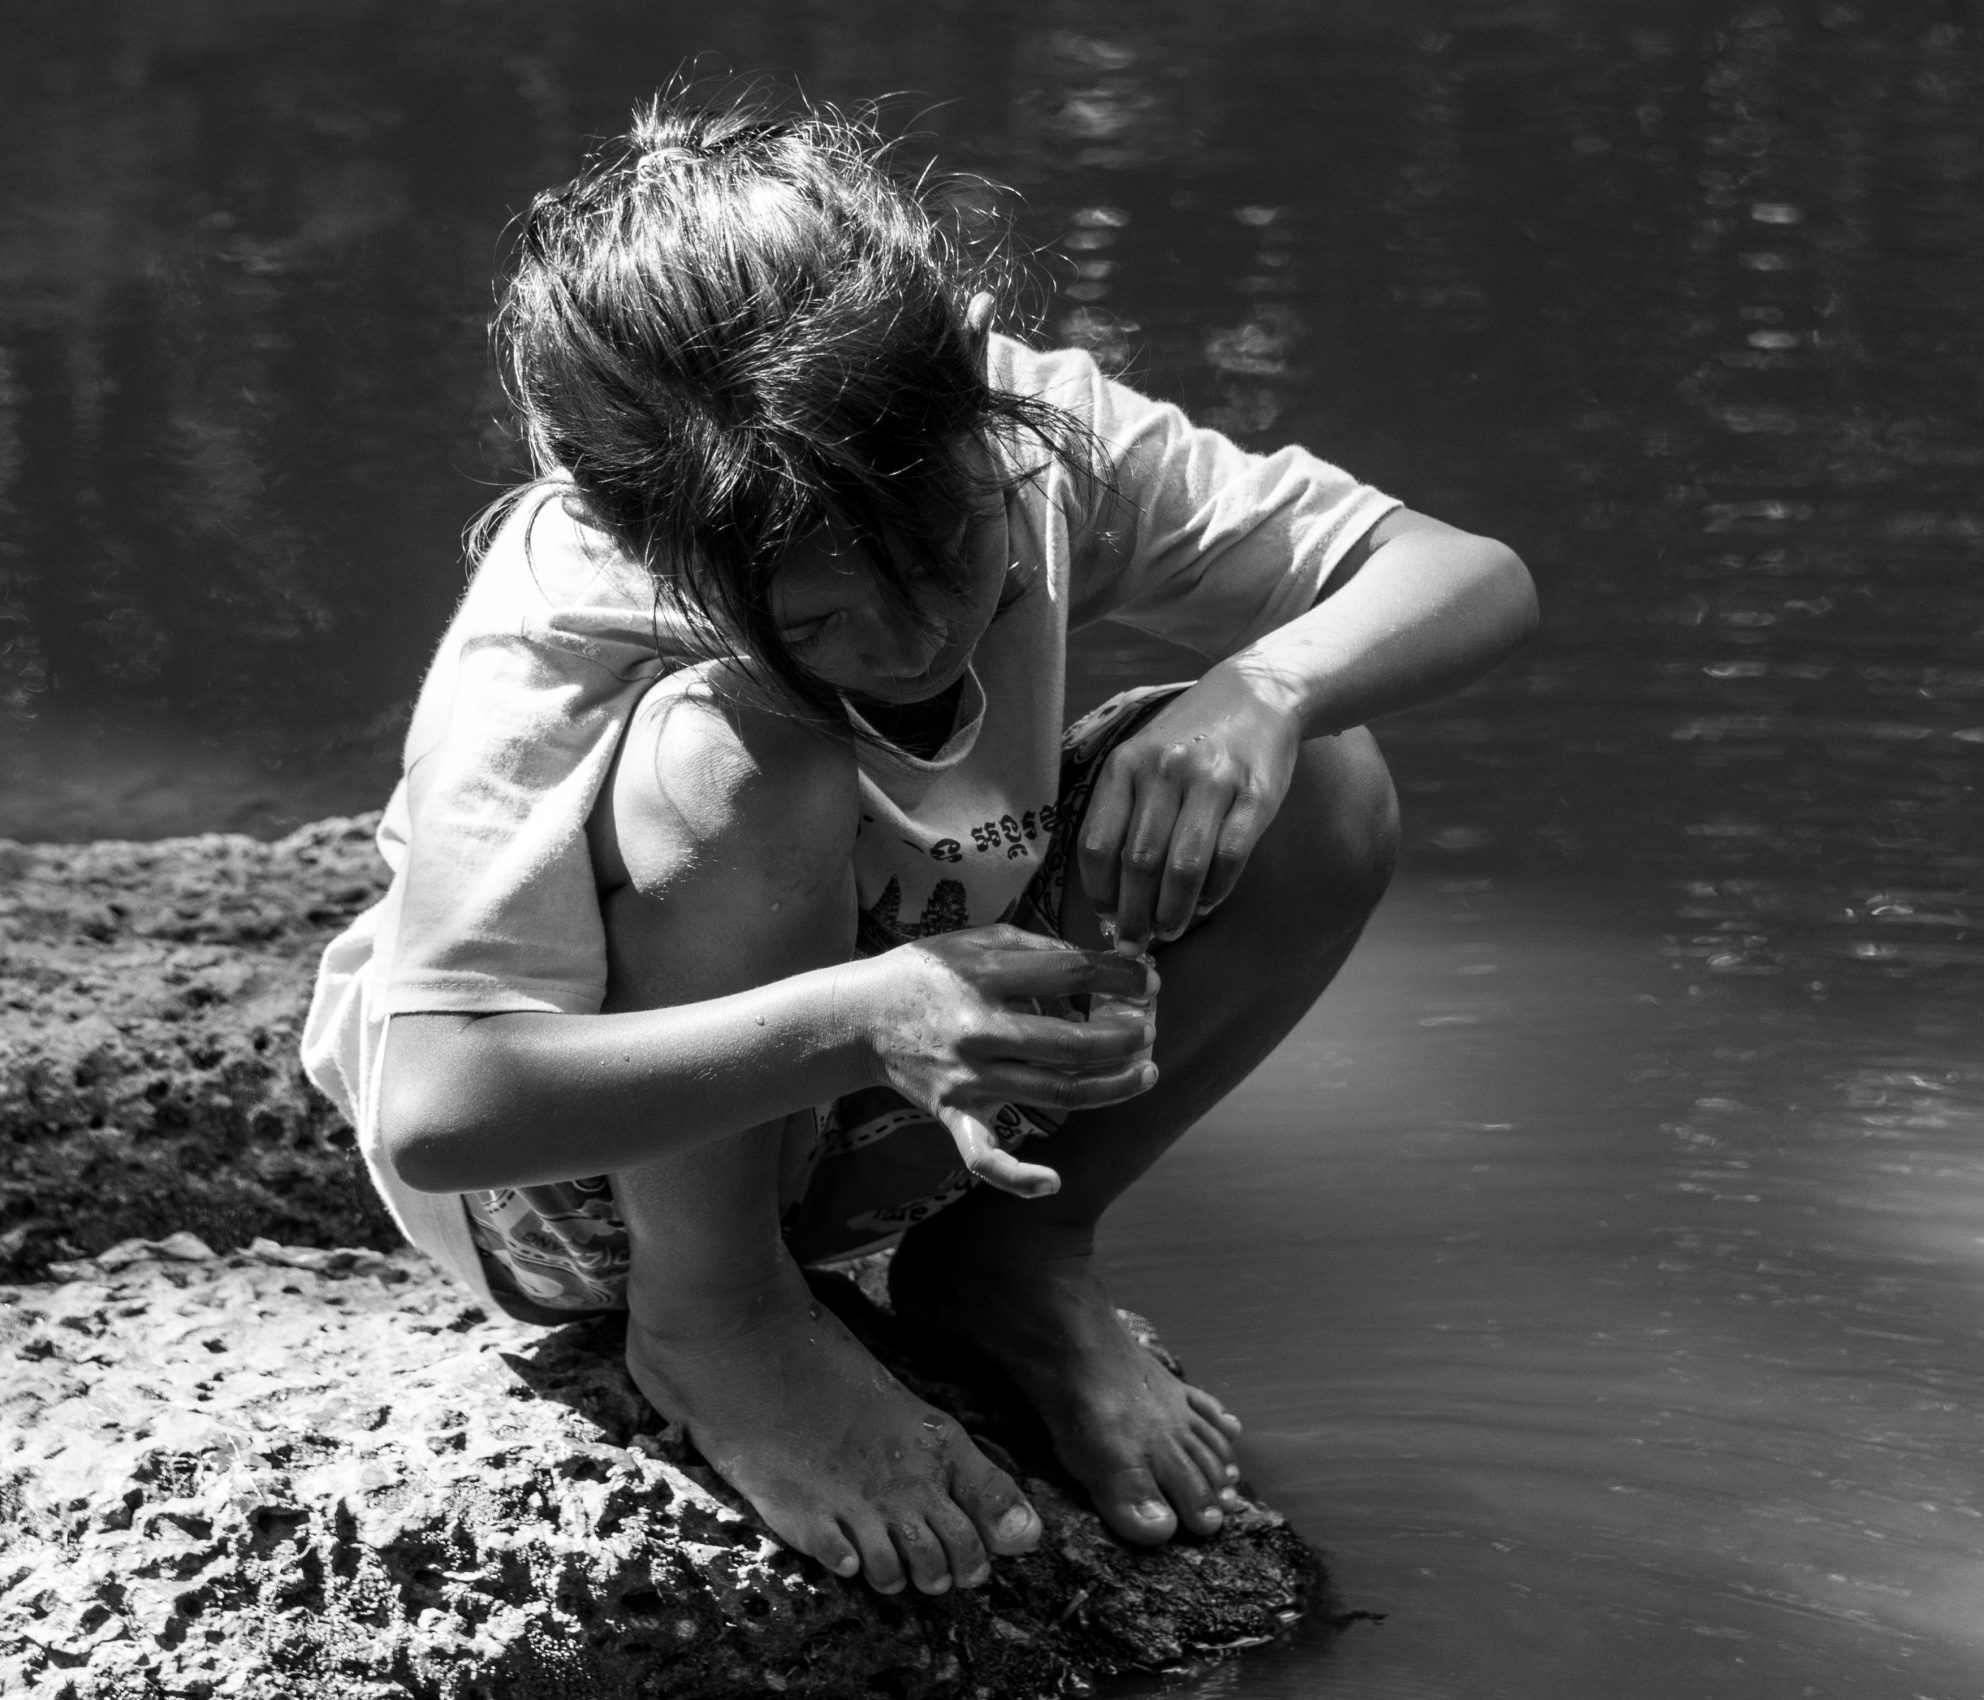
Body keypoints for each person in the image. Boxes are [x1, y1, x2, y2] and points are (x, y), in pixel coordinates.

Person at [300, 92, 1536, 1601]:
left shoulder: (1013, 428)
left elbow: (1468, 576)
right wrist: (867, 1019)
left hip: (897, 1116)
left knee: (1320, 777)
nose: (918, 639)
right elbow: (439, 1108)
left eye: (958, 560)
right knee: (734, 755)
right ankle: (725, 1318)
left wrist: (1262, 690)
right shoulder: (563, 615)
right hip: (590, 1196)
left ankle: (1014, 1259)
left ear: (977, 415)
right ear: (663, 547)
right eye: (822, 617)